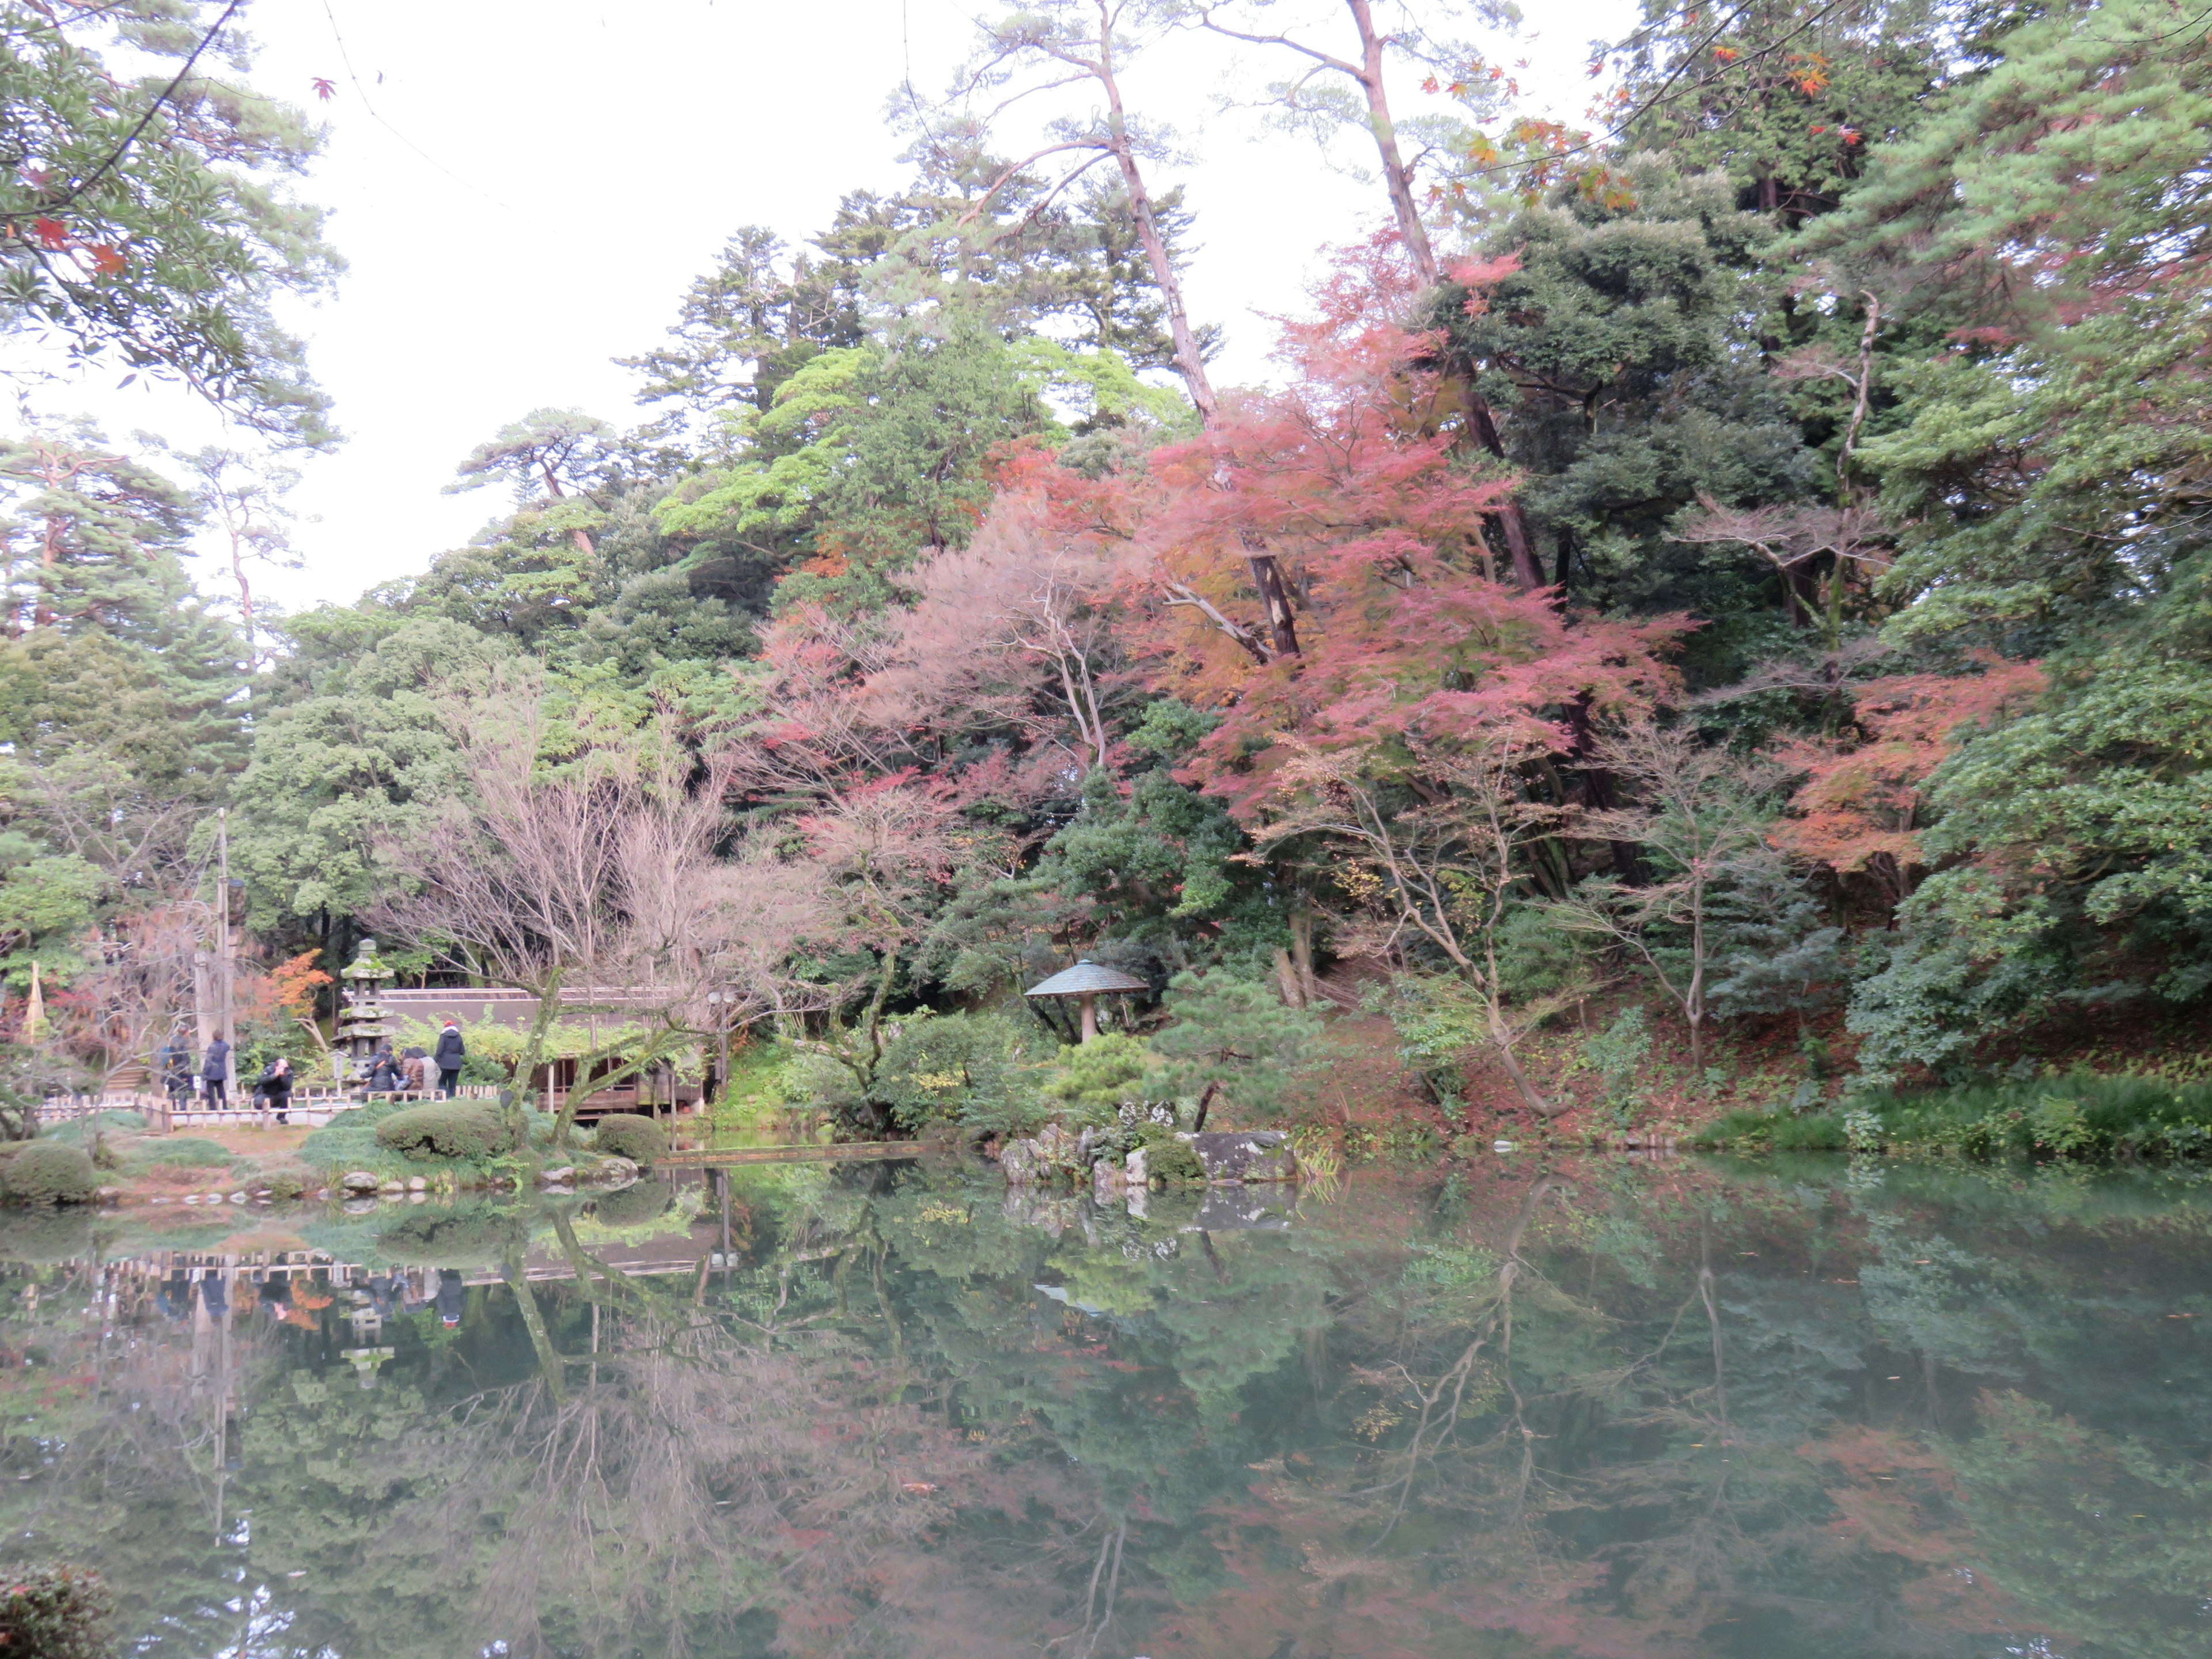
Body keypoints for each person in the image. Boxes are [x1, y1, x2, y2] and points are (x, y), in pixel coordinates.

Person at [433, 1017, 466, 1098]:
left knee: (442, 1082)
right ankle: (453, 1099)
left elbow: (440, 1051)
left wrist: (434, 1060)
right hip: (456, 1064)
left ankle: (446, 1098)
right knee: (453, 1085)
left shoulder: (444, 1036)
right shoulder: (459, 1036)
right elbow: (463, 1052)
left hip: (445, 1063)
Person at [257, 1056, 293, 1124]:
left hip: (281, 1094)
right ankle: (266, 1116)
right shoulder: (268, 1070)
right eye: (282, 1067)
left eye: (285, 1067)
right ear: (277, 1066)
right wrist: (275, 1075)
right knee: (258, 1102)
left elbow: (287, 1087)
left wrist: (283, 1077)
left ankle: (281, 1117)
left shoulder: (289, 1072)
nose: (284, 1069)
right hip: (267, 1094)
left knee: (288, 1095)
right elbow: (262, 1082)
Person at [202, 1034, 231, 1109]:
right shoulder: (225, 1046)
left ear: (213, 1037)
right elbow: (228, 1046)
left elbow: (209, 1061)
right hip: (221, 1070)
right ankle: (224, 1106)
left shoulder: (212, 1047)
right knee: (221, 1089)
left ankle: (213, 1108)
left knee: (211, 1091)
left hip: (212, 1071)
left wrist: (205, 1073)